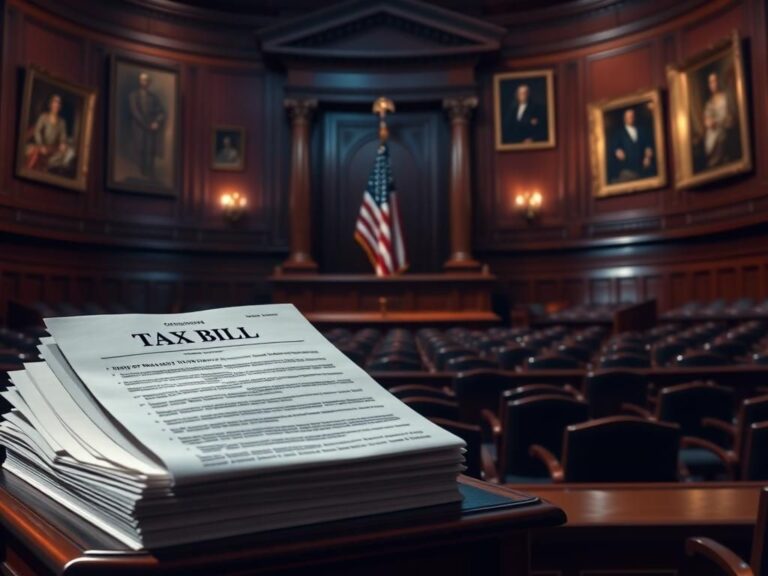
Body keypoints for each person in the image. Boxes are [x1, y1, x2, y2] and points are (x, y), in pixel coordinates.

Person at [694, 72, 736, 171]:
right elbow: (707, 119)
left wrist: (718, 122)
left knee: (721, 140)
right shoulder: (709, 103)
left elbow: (731, 117)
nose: (713, 84)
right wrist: (708, 122)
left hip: (724, 131)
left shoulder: (726, 98)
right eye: (711, 82)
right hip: (712, 133)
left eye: (715, 80)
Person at [25, 94, 75, 173]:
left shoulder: (62, 122)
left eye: (59, 103)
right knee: (35, 153)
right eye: (55, 102)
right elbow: (37, 132)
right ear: (50, 104)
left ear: (60, 106)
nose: (57, 104)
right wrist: (41, 145)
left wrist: (63, 143)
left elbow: (63, 136)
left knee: (68, 153)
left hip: (53, 148)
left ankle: (48, 166)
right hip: (41, 146)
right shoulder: (43, 117)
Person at [128, 72, 165, 178]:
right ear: (139, 81)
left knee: (150, 150)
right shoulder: (133, 95)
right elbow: (135, 112)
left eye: (146, 80)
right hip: (139, 128)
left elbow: (161, 112)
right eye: (142, 80)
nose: (144, 82)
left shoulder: (153, 97)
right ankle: (139, 174)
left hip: (151, 128)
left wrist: (156, 122)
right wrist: (146, 125)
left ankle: (149, 174)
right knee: (139, 149)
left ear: (149, 82)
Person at [609, 107, 655, 183]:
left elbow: (648, 145)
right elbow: (614, 148)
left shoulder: (641, 130)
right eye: (629, 116)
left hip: (643, 167)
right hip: (626, 169)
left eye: (632, 116)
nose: (631, 118)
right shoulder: (619, 133)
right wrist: (617, 151)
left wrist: (648, 157)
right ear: (625, 118)